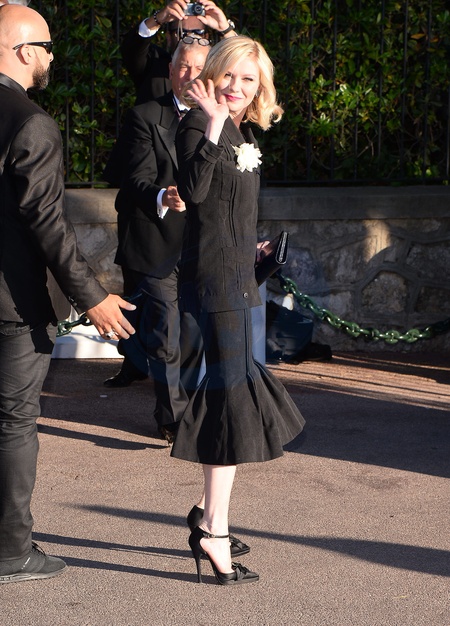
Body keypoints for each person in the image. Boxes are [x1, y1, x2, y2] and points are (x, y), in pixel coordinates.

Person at [0, 4, 136, 584]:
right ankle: (11, 551)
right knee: (13, 422)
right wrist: (93, 296)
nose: (52, 57)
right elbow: (47, 222)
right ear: (24, 51)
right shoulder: (31, 123)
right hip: (12, 305)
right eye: (48, 47)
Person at [170, 36, 306, 585]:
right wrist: (209, 124)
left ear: (259, 87)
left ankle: (209, 516)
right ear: (213, 74)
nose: (236, 87)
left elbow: (228, 215)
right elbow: (195, 192)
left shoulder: (245, 134)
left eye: (248, 80)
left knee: (234, 399)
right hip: (214, 286)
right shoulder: (196, 126)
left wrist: (253, 249)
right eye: (229, 75)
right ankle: (213, 529)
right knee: (231, 404)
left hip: (238, 278)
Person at [103, 41, 207, 445]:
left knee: (193, 333)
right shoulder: (144, 115)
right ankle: (173, 419)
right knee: (166, 331)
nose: (190, 75)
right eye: (183, 66)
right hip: (155, 239)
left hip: (200, 245)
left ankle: (190, 407)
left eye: (198, 68)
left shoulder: (222, 119)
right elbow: (136, 179)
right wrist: (164, 195)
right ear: (171, 70)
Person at [121, 0, 237, 104]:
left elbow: (241, 63)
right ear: (169, 37)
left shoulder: (216, 67)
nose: (190, 37)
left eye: (197, 32)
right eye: (182, 32)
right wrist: (157, 19)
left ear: (206, 37)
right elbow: (131, 49)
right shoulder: (152, 63)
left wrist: (226, 30)